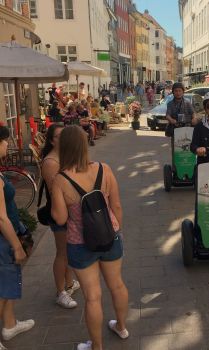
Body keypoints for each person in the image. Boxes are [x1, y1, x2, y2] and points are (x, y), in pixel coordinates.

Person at [51, 126, 129, 350]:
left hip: (80, 243)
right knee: (117, 285)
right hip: (110, 236)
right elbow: (116, 205)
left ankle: (97, 346)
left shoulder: (61, 180)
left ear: (63, 148)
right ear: (85, 145)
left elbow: (60, 218)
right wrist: (116, 231)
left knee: (93, 297)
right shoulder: (104, 169)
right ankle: (121, 327)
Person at [0, 124, 35, 349]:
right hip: (3, 239)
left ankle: (10, 324)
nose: (6, 145)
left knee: (9, 281)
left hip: (7, 235)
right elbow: (1, 218)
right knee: (2, 288)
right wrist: (17, 246)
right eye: (4, 141)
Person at [41, 125, 80, 309]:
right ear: (51, 140)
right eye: (59, 136)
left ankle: (70, 283)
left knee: (69, 250)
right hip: (59, 213)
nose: (63, 138)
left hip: (70, 211)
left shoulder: (64, 157)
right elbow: (55, 192)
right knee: (62, 252)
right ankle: (60, 292)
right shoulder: (50, 162)